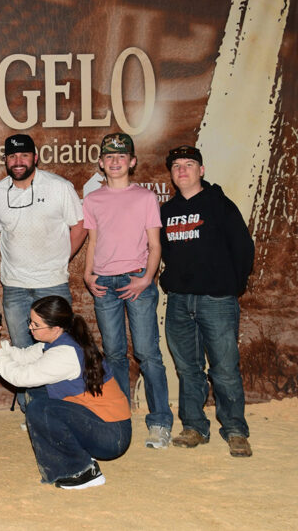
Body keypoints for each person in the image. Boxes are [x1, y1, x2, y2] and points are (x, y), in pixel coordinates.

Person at [160, 145, 255, 457]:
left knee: (224, 368)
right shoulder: (167, 211)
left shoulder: (219, 204)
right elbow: (163, 252)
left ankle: (236, 430)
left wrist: (230, 286)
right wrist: (170, 282)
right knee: (188, 368)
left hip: (217, 300)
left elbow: (243, 247)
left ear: (201, 170)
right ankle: (194, 427)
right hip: (179, 301)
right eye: (177, 165)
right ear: (171, 174)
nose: (182, 170)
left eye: (189, 164)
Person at [82, 132, 173, 449]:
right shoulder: (93, 200)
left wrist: (147, 278)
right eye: (109, 156)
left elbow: (155, 244)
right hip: (104, 283)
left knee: (147, 354)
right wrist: (87, 274)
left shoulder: (145, 198)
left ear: (132, 162)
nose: (115, 161)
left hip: (137, 281)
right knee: (114, 354)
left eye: (121, 156)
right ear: (101, 163)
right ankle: (120, 419)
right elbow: (93, 241)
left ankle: (160, 422)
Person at [0, 296, 131, 490]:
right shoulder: (59, 341)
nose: (30, 328)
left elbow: (20, 377)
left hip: (112, 436)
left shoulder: (64, 354)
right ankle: (78, 451)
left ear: (55, 328)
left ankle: (82, 471)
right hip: (102, 424)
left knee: (40, 409)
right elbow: (23, 356)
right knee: (37, 393)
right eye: (30, 322)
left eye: (36, 325)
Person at [0, 134, 86, 410]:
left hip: (52, 283)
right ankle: (30, 410)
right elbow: (0, 235)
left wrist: (61, 259)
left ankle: (60, 407)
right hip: (14, 286)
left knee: (57, 348)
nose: (18, 161)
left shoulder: (59, 187)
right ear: (5, 160)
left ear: (35, 157)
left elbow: (79, 227)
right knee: (21, 350)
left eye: (24, 155)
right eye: (12, 156)